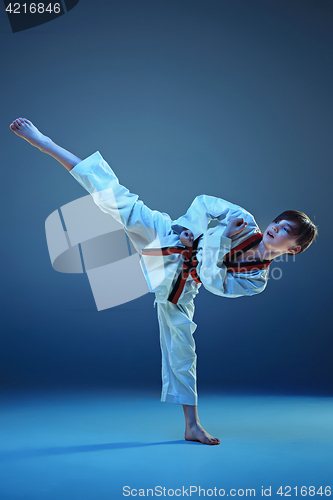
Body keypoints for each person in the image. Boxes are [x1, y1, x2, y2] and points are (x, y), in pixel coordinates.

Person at [9, 117, 317, 446]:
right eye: (278, 221)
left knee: (182, 349)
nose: (276, 228)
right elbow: (203, 202)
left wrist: (219, 240)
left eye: (286, 231)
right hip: (165, 234)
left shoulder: (256, 280)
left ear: (293, 249)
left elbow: (214, 281)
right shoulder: (243, 221)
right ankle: (45, 142)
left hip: (177, 284)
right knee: (113, 196)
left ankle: (192, 426)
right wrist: (192, 230)